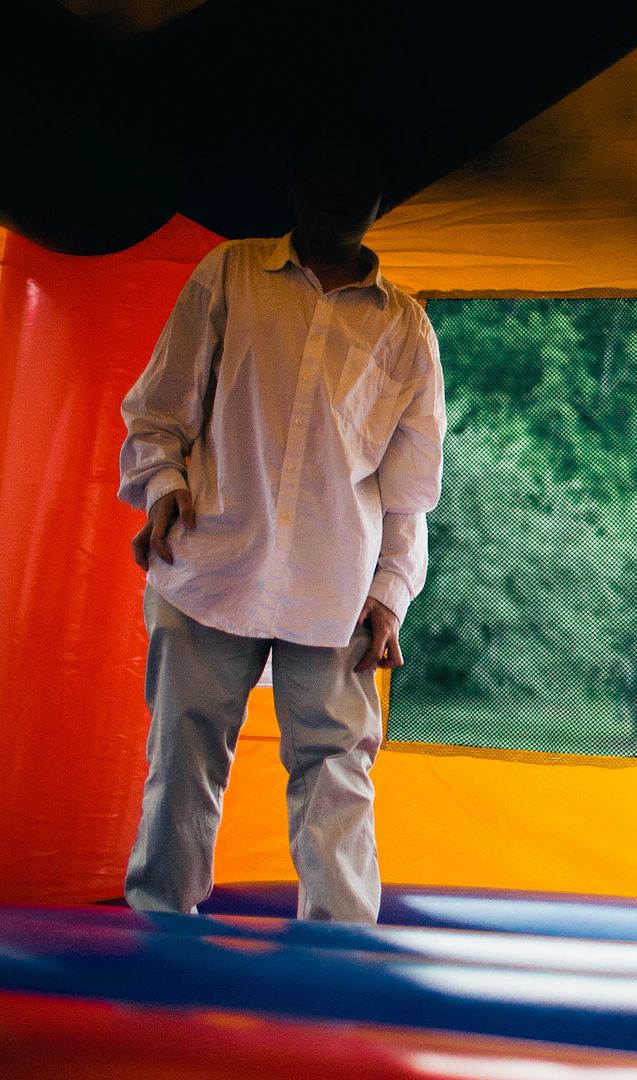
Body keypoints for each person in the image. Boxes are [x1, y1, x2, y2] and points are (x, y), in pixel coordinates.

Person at [116, 140, 446, 922]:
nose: (336, 194)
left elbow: (409, 491)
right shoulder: (229, 273)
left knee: (336, 769)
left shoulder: (406, 327)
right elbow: (159, 411)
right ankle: (161, 943)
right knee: (182, 764)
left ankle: (339, 966)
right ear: (295, 184)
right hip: (210, 564)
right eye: (321, 175)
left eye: (355, 179)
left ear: (380, 197)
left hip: (335, 586)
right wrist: (163, 484)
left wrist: (391, 596)